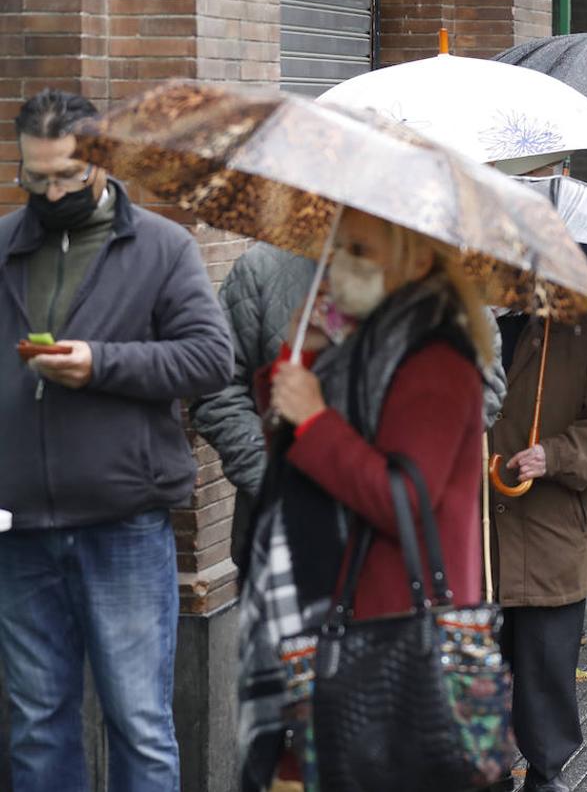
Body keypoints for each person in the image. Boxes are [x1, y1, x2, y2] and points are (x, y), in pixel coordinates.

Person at [0, 89, 233, 791]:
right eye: (35, 178)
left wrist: (101, 363)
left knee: (139, 723)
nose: (51, 191)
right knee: (37, 726)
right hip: (20, 530)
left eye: (67, 175)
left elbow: (210, 358)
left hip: (123, 524)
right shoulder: (5, 246)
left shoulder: (162, 246)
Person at [237, 208, 506, 790]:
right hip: (334, 620)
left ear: (415, 258)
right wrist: (300, 356)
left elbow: (403, 499)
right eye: (340, 247)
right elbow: (300, 465)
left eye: (360, 251)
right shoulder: (359, 344)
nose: (338, 263)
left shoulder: (436, 359)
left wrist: (314, 419)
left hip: (391, 635)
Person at [486, 308, 587, 792]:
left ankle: (545, 771)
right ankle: (483, 769)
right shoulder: (448, 317)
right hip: (470, 530)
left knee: (546, 666)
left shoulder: (581, 325)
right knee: (472, 668)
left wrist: (555, 455)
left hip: (550, 533)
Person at [191, 242, 314, 565]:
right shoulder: (262, 269)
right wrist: (269, 479)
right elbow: (217, 389)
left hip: (387, 541)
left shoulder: (423, 284)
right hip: (278, 535)